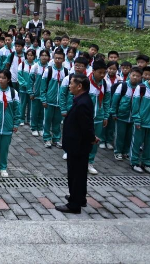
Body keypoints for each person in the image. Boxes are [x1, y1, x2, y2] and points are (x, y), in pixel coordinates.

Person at [56, 74, 98, 214]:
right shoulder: (81, 100)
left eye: (71, 84)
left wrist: (91, 137)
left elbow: (86, 126)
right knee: (79, 174)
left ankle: (74, 205)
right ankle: (79, 197)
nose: (69, 86)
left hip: (78, 146)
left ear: (79, 86)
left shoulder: (82, 103)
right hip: (77, 144)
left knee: (76, 175)